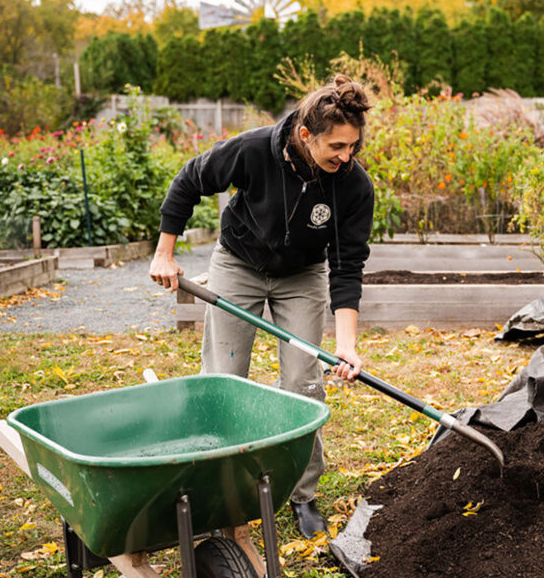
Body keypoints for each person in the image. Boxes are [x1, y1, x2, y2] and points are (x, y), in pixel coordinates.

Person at [149, 74, 375, 538]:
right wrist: (164, 252)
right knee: (224, 377)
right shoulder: (252, 150)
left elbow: (348, 267)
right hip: (238, 263)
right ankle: (216, 487)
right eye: (336, 146)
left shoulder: (353, 186)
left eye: (353, 146)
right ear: (306, 134)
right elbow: (189, 181)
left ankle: (303, 494)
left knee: (302, 381)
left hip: (302, 275)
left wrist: (347, 345)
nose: (346, 156)